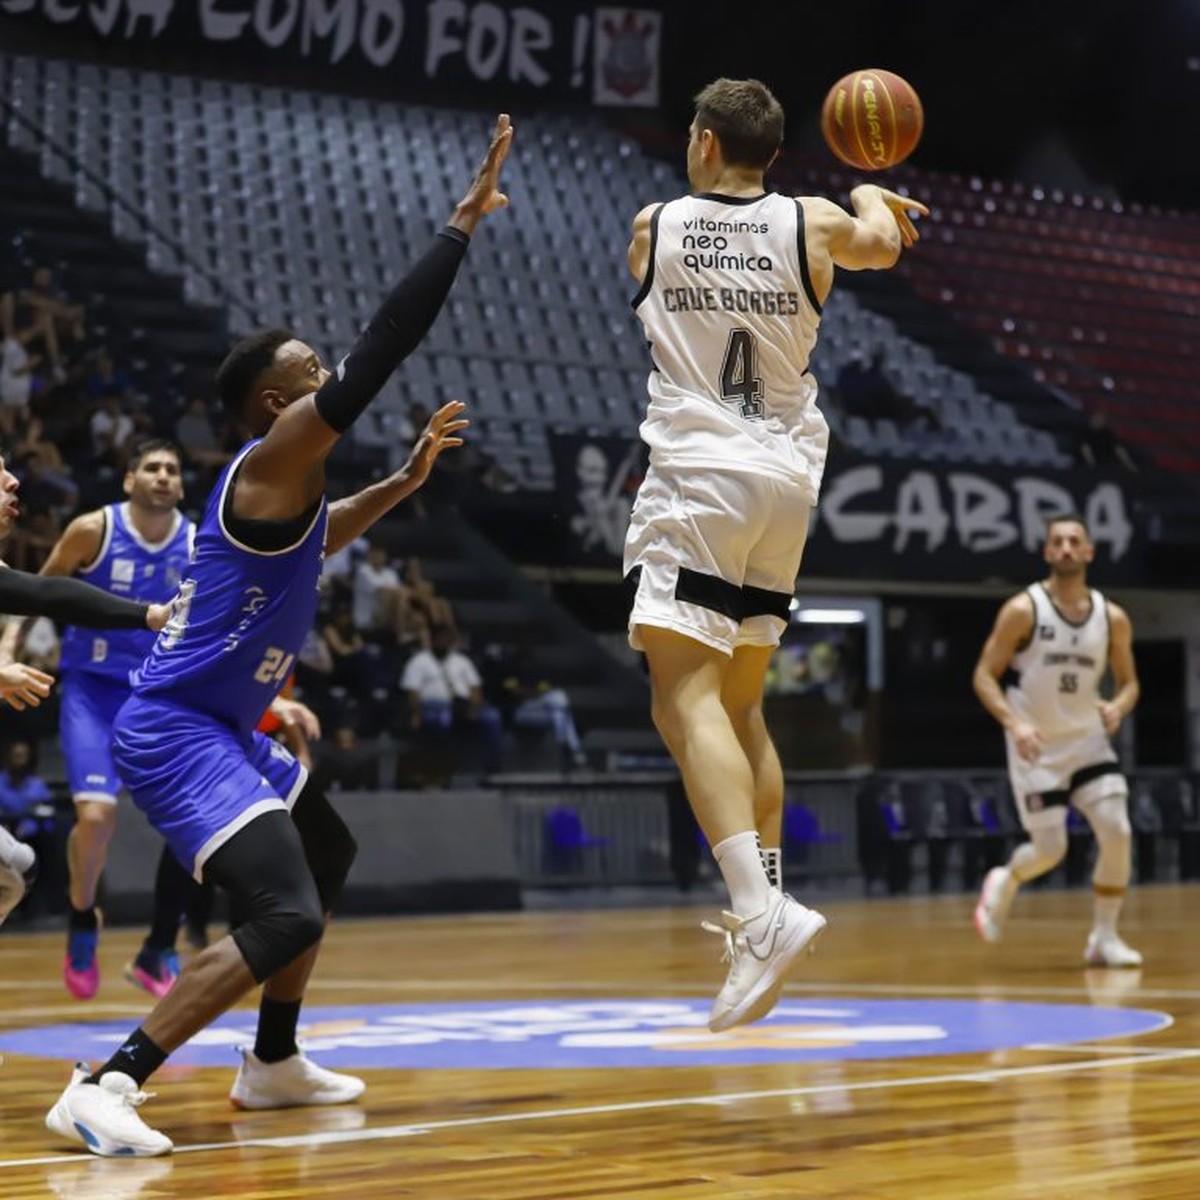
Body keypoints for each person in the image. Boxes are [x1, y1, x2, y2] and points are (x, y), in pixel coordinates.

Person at [44, 113, 511, 1158]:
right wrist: (457, 227)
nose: (324, 379)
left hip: (221, 722)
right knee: (284, 912)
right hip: (173, 731)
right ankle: (105, 1082)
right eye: (310, 372)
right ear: (275, 401)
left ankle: (274, 1062)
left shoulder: (284, 497)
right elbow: (381, 353)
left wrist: (402, 483)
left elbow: (324, 537)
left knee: (326, 849)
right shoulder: (265, 458)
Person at [622, 78, 927, 1033]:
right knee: (743, 702)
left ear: (707, 143)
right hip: (786, 481)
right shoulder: (817, 224)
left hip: (700, 473)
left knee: (683, 698)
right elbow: (883, 240)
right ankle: (767, 910)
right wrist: (875, 189)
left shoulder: (651, 225)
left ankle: (758, 912)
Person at [1, 440, 199, 1000]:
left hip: (161, 694)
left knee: (197, 820)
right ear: (129, 480)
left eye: (172, 469)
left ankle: (160, 945)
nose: (163, 476)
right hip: (92, 689)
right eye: (152, 468)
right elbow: (38, 589)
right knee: (95, 816)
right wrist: (7, 649)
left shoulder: (196, 543)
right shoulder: (94, 528)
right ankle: (83, 916)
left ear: (182, 487)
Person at [972, 513, 1142, 967]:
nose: (1066, 549)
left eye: (1075, 542)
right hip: (1037, 743)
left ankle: (1104, 938)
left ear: (1089, 552)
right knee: (1051, 850)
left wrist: (1117, 707)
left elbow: (1129, 684)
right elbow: (984, 676)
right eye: (1058, 542)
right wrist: (1015, 724)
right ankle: (1006, 877)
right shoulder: (1024, 609)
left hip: (1087, 739)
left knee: (1118, 831)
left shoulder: (1113, 618)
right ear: (1047, 552)